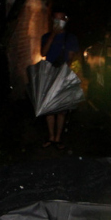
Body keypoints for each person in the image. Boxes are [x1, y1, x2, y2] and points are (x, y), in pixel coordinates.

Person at [39, 11, 80, 148]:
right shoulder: (46, 37)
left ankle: (58, 138)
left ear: (66, 20)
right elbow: (43, 53)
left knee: (61, 110)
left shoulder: (71, 38)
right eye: (56, 19)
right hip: (48, 74)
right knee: (49, 108)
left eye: (61, 19)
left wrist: (64, 75)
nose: (58, 22)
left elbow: (71, 58)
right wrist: (53, 35)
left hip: (63, 75)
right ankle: (51, 137)